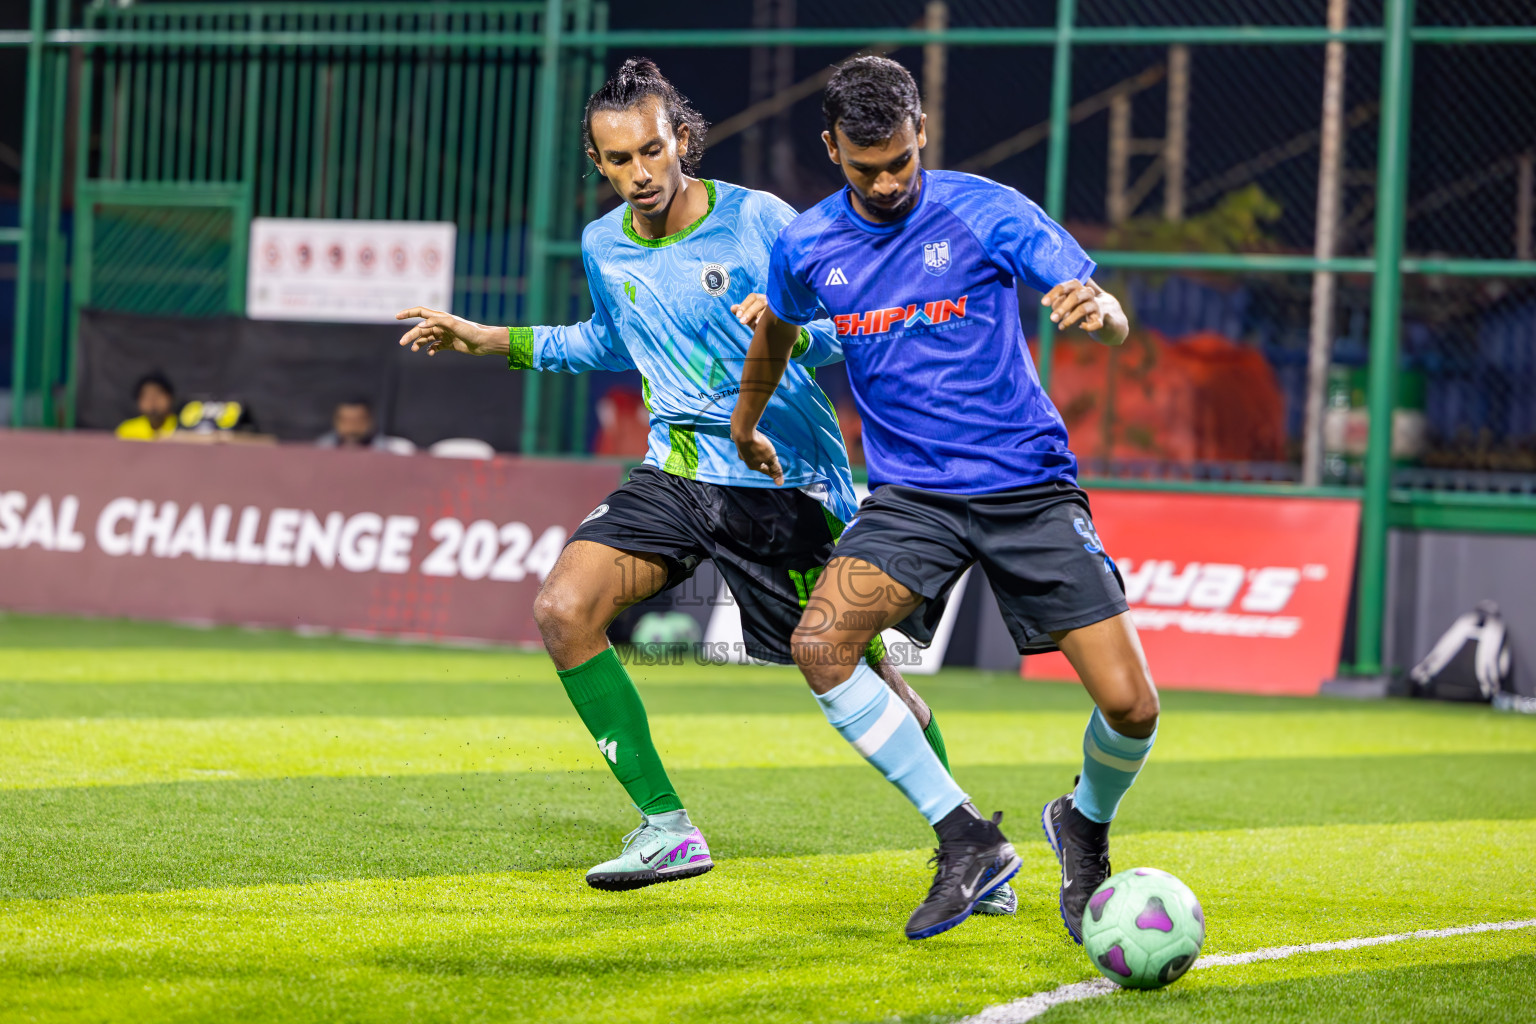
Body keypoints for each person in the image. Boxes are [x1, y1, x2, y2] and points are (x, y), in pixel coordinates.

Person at [394, 59, 1015, 912]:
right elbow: (609, 343)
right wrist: (488, 339)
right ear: (598, 161)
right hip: (675, 473)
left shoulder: (760, 221)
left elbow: (850, 324)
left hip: (782, 483)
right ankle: (667, 827)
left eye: (651, 151)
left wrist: (791, 330)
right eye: (616, 160)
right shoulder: (603, 243)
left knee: (863, 671)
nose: (638, 174)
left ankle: (971, 844)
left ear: (682, 140)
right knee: (563, 609)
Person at [732, 56, 1159, 942]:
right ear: (831, 149)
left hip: (1028, 488)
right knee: (820, 644)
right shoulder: (807, 244)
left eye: (899, 161)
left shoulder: (984, 208)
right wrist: (745, 423)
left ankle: (1082, 822)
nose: (886, 183)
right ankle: (966, 837)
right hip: (912, 499)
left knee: (1132, 706)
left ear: (920, 131)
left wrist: (1100, 312)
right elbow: (775, 327)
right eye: (864, 167)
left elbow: (1100, 304)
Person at [315, 398, 416, 454]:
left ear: (370, 420)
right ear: (335, 421)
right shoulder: (319, 450)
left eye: (357, 420)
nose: (351, 427)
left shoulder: (397, 451)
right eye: (345, 420)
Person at [115, 372, 179, 441]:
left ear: (170, 398)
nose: (152, 401)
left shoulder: (180, 427)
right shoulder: (126, 431)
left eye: (158, 394)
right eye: (146, 396)